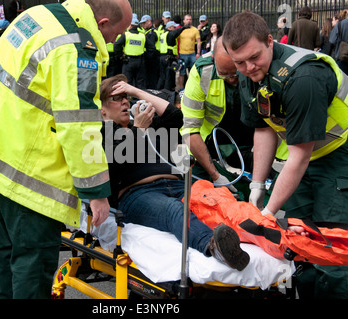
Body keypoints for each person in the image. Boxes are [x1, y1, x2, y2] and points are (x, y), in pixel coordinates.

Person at [0, 0, 132, 299]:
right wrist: (96, 193)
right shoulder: (78, 48)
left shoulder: (40, 15)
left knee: (10, 251)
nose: (114, 42)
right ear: (102, 22)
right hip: (30, 170)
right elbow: (78, 124)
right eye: (116, 34)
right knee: (33, 262)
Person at [222, 10, 348, 299]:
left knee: (329, 249)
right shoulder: (251, 73)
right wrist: (257, 187)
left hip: (344, 152)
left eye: (254, 57)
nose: (248, 67)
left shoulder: (304, 77)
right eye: (240, 62)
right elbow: (264, 130)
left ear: (270, 41)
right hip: (307, 153)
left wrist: (269, 212)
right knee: (298, 242)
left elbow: (299, 157)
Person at [99, 74, 250, 272]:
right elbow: (116, 165)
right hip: (138, 194)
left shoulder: (150, 126)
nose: (125, 101)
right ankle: (214, 247)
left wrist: (134, 90)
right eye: (116, 98)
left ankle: (262, 235)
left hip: (178, 185)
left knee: (224, 202)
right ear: (103, 111)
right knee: (175, 210)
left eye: (126, 96)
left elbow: (175, 117)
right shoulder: (102, 133)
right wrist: (137, 129)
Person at [180, 37, 254, 200]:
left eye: (236, 72)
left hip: (247, 143)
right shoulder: (203, 71)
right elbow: (190, 129)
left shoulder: (255, 66)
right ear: (215, 60)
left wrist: (260, 182)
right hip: (207, 144)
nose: (232, 79)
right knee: (203, 196)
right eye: (224, 74)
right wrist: (215, 175)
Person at [114, 17, 154, 89]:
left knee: (127, 82)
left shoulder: (126, 35)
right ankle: (139, 99)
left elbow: (116, 45)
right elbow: (152, 48)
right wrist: (146, 57)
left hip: (128, 61)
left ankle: (128, 98)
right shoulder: (142, 36)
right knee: (140, 83)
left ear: (130, 26)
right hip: (140, 62)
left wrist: (120, 56)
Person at [177, 14, 201, 89]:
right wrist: (176, 53)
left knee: (193, 72)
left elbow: (199, 41)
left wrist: (198, 53)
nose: (189, 21)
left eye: (190, 19)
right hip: (182, 54)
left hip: (192, 54)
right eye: (187, 19)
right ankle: (181, 88)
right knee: (182, 73)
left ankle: (192, 87)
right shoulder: (181, 30)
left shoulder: (195, 30)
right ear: (184, 21)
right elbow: (176, 41)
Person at [139, 15, 159, 89]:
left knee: (151, 79)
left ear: (149, 22)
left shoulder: (151, 33)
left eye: (144, 23)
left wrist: (146, 59)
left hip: (152, 59)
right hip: (152, 58)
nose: (142, 25)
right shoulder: (148, 32)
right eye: (142, 23)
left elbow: (151, 48)